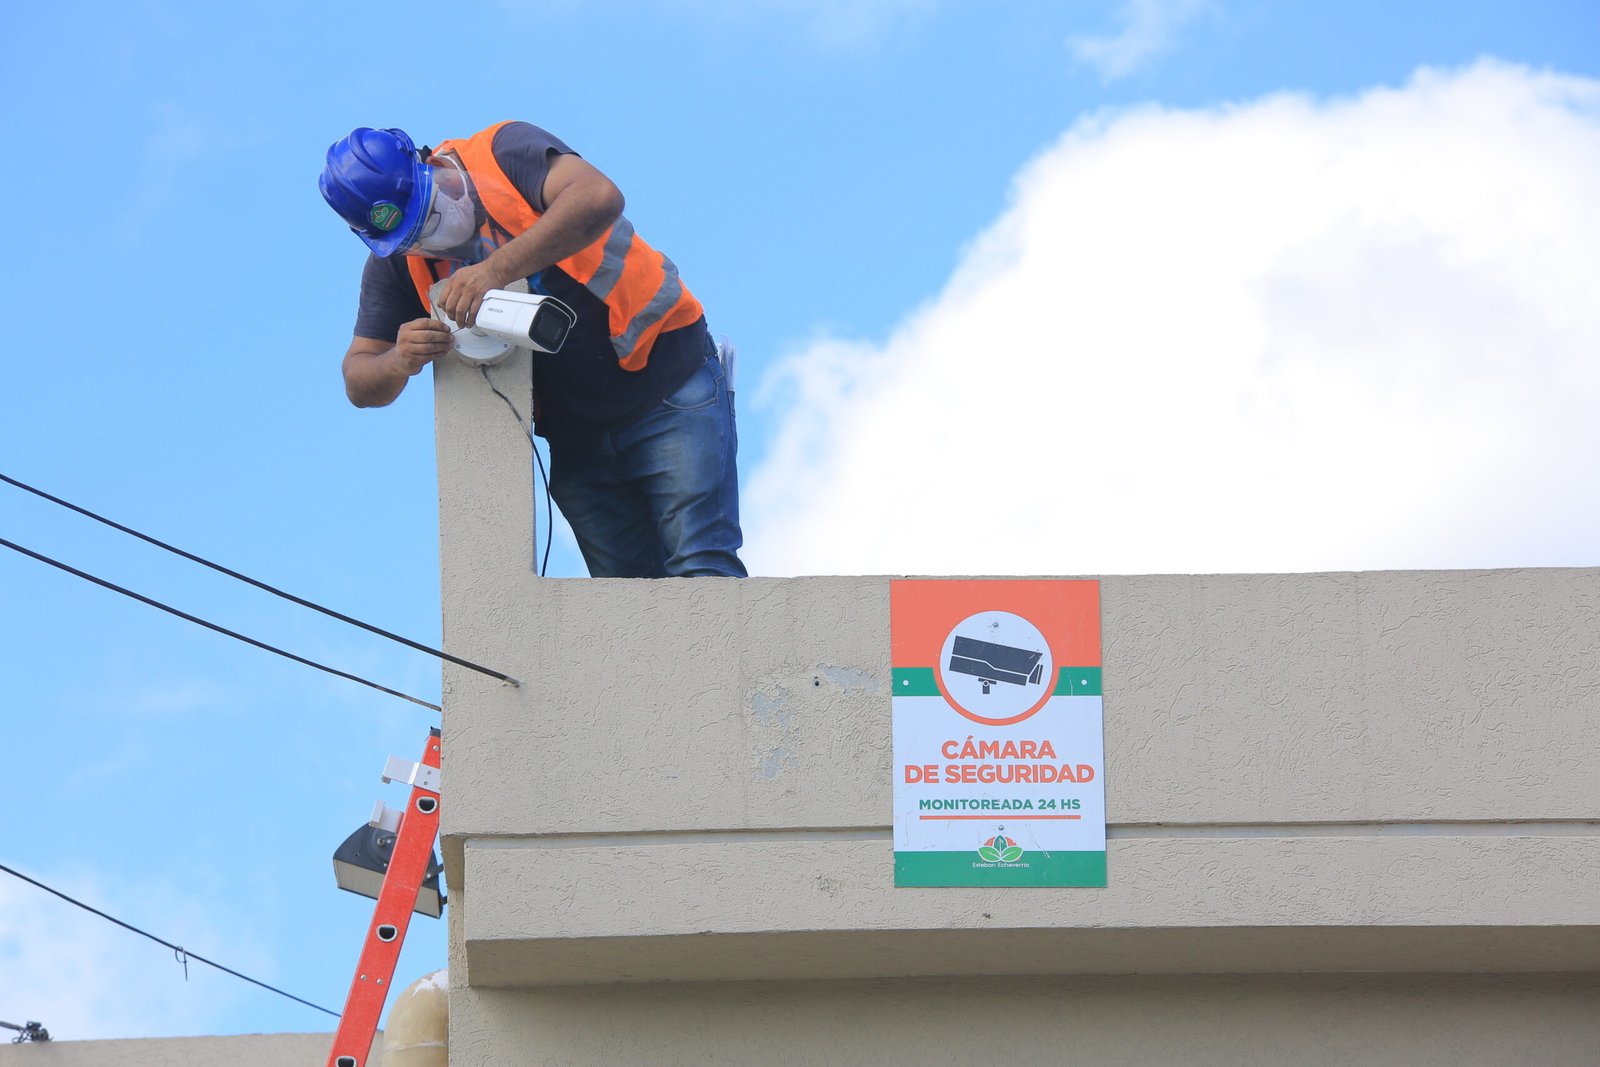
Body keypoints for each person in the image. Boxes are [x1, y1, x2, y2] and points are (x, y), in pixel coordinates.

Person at [318, 122, 746, 579]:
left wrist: (495, 269)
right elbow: (359, 379)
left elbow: (598, 196)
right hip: (579, 441)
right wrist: (397, 360)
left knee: (702, 569)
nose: (428, 235)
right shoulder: (395, 268)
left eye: (427, 212)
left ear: (428, 166)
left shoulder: (503, 153)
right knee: (629, 606)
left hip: (669, 386)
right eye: (409, 237)